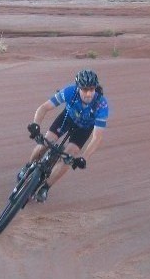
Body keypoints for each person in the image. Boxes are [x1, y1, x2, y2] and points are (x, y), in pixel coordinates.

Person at [21, 69, 109, 202]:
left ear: (95, 88)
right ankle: (29, 166)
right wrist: (36, 125)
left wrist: (84, 158)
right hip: (67, 119)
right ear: (78, 88)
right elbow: (44, 107)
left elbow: (97, 138)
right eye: (84, 89)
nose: (88, 93)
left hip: (84, 129)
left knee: (69, 157)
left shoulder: (101, 105)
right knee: (43, 144)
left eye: (91, 89)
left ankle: (45, 187)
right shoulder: (70, 91)